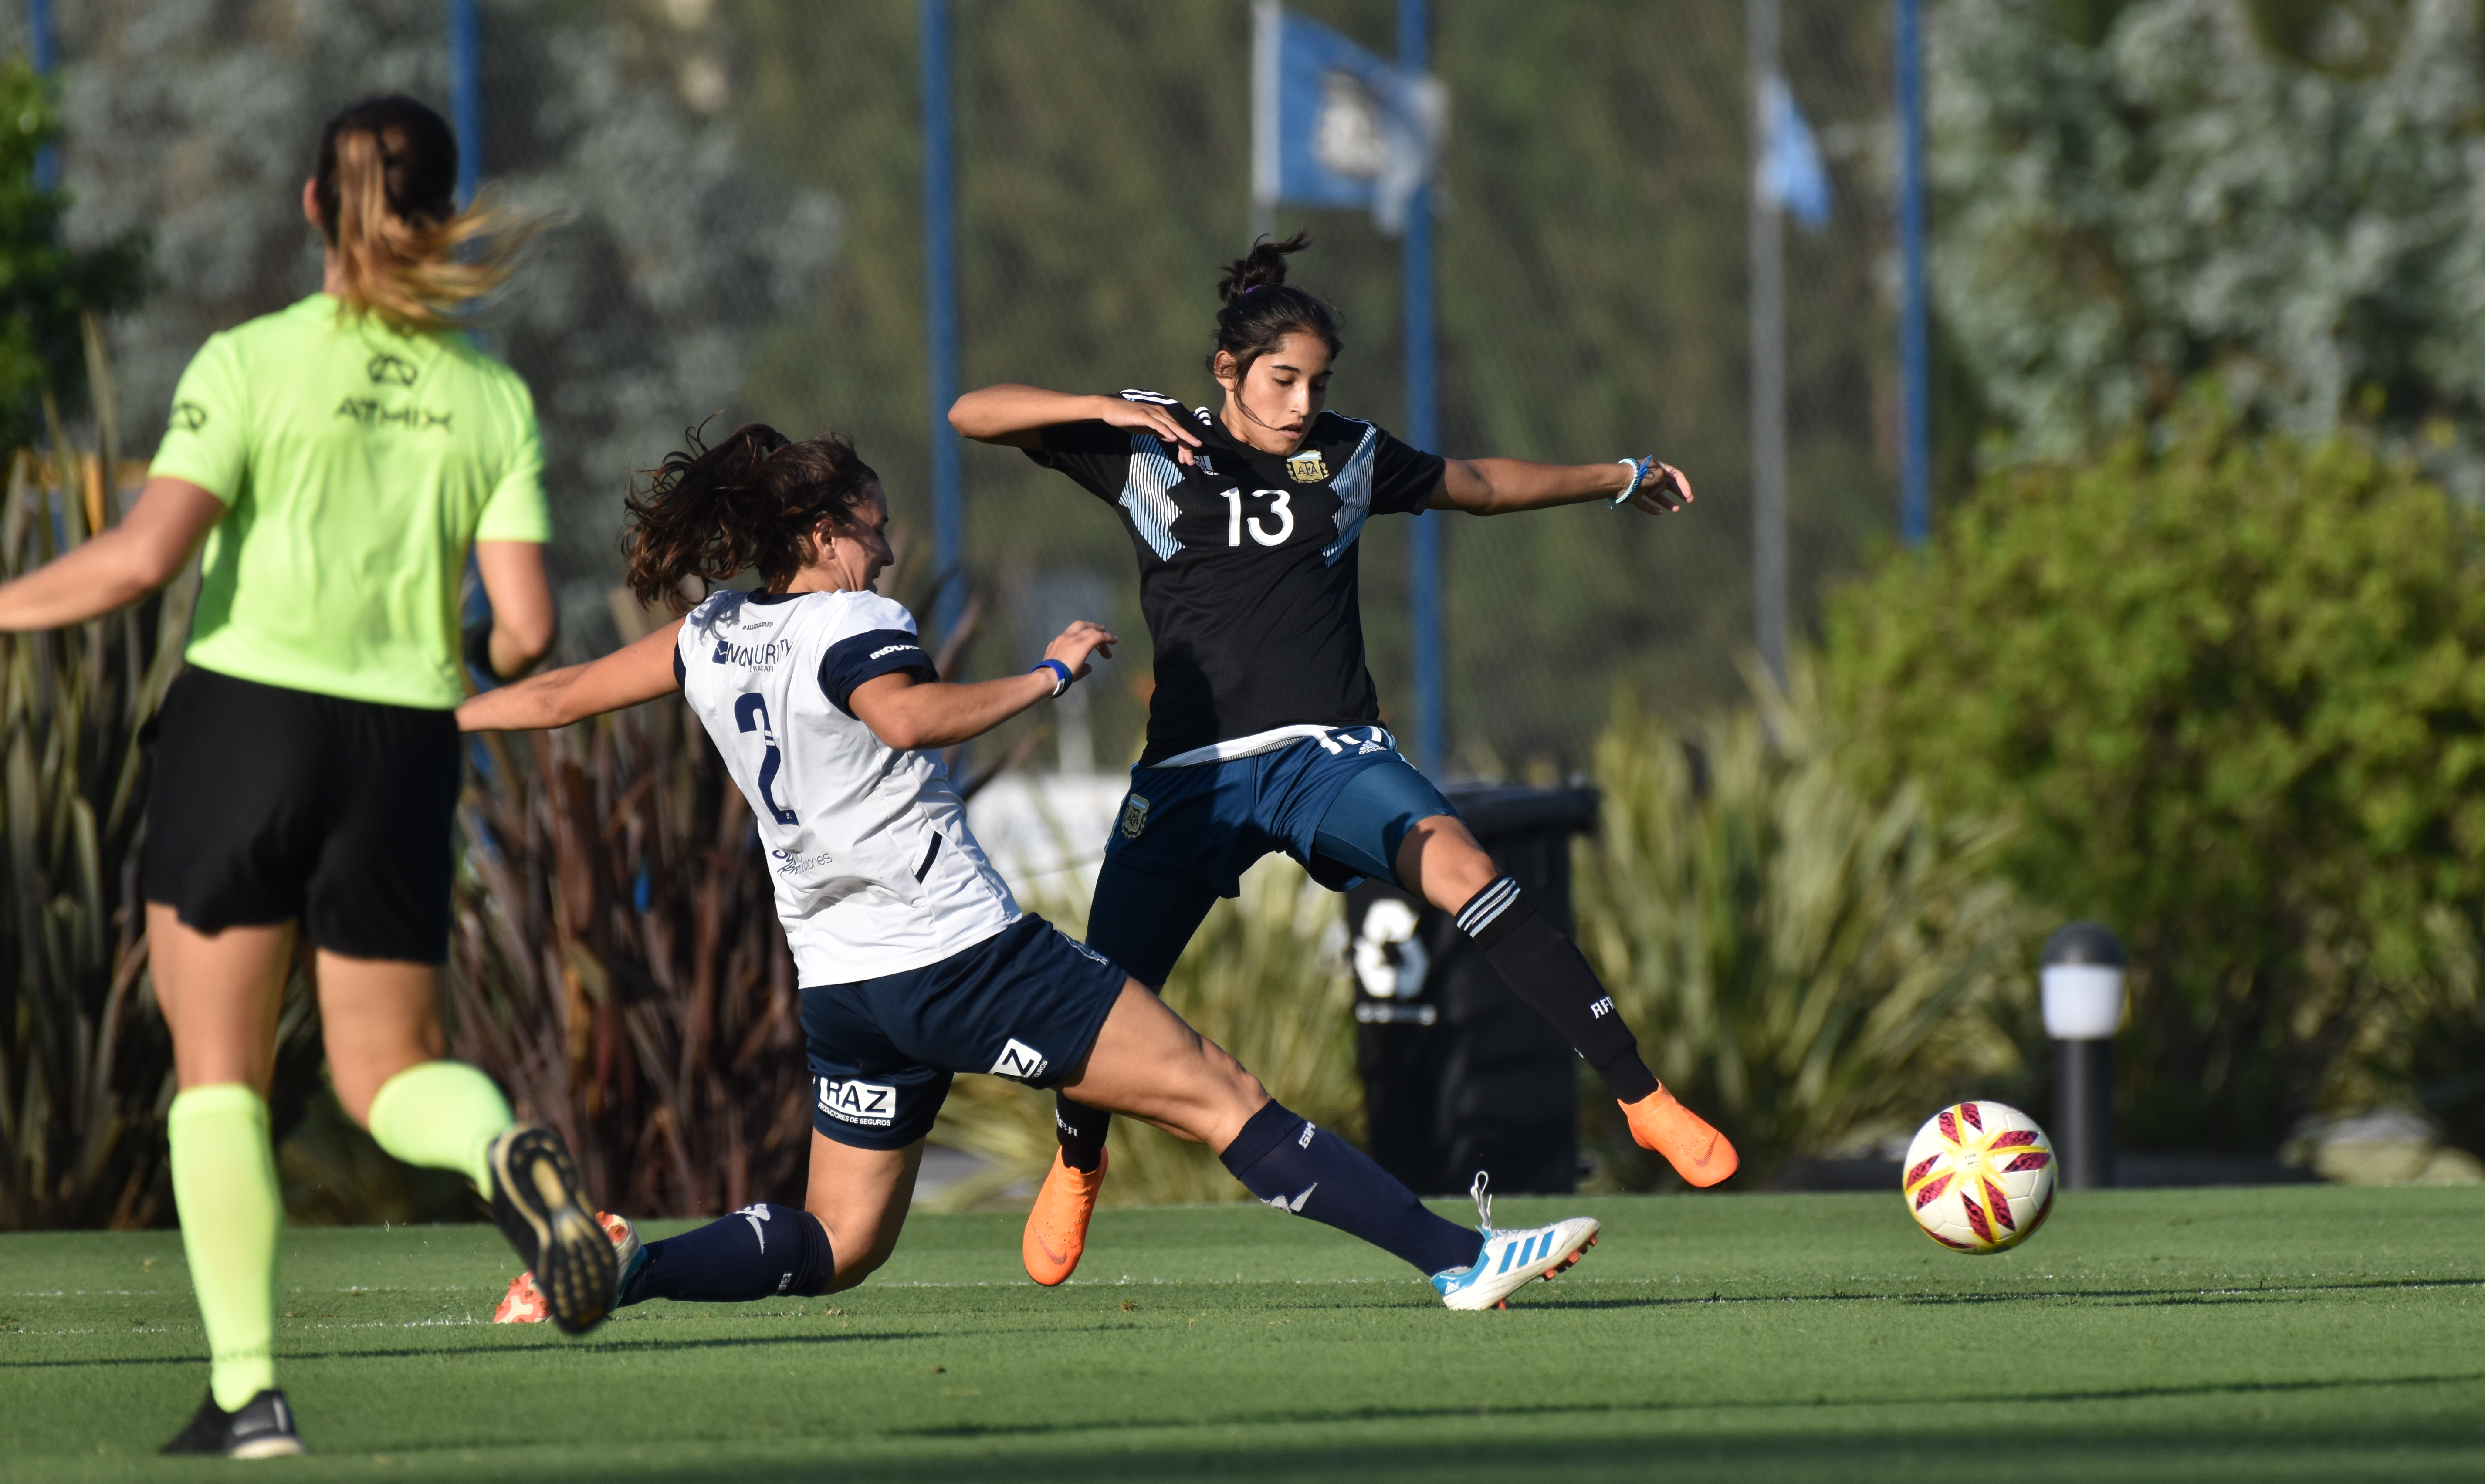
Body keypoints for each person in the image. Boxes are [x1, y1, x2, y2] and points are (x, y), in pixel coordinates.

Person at [463, 421, 1599, 1322]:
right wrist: (1045, 678)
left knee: (841, 1246)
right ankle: (1460, 1261)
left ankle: (623, 1273)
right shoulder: (856, 621)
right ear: (816, 530)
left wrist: (435, 726)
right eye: (874, 525)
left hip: (846, 993)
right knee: (1219, 1094)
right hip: (964, 958)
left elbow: (556, 695)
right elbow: (908, 718)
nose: (890, 547)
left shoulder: (710, 634)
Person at [0, 97, 619, 1459]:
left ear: (309, 210)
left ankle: (248, 1394)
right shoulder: (489, 395)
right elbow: (521, 631)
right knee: (390, 1071)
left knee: (217, 1075)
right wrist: (437, 651)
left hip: (247, 726)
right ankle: (503, 1154)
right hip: (401, 748)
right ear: (447, 213)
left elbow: (139, 562)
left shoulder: (252, 361)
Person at [948, 230, 1739, 1288]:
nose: (1300, 402)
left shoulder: (1351, 454)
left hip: (1328, 752)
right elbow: (972, 413)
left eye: (1316, 382)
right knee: (1110, 993)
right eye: (1281, 379)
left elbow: (1481, 483)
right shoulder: (1150, 445)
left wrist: (1619, 473)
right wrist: (1104, 406)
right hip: (1192, 775)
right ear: (1226, 371)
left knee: (1466, 866)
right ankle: (1079, 1160)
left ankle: (1642, 1098)